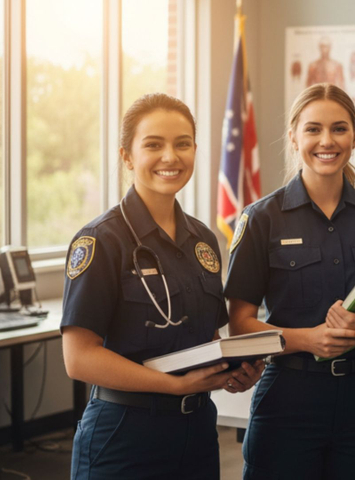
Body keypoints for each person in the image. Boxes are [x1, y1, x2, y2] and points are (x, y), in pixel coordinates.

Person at [61, 93, 264, 479]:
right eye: (153, 144)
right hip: (123, 434)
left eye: (182, 144)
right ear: (127, 156)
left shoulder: (203, 239)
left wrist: (233, 370)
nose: (170, 157)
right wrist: (171, 386)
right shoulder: (101, 240)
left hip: (197, 430)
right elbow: (79, 358)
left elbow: (207, 336)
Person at [225, 83, 355, 479]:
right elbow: (239, 325)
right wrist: (307, 339)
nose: (326, 141)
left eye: (339, 129)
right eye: (313, 129)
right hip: (288, 398)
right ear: (293, 135)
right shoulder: (262, 219)